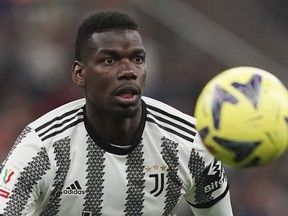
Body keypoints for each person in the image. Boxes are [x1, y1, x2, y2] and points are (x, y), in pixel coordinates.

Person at [0, 11, 233, 216]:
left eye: (137, 59)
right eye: (109, 60)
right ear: (79, 73)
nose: (128, 71)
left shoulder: (191, 143)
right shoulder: (41, 149)